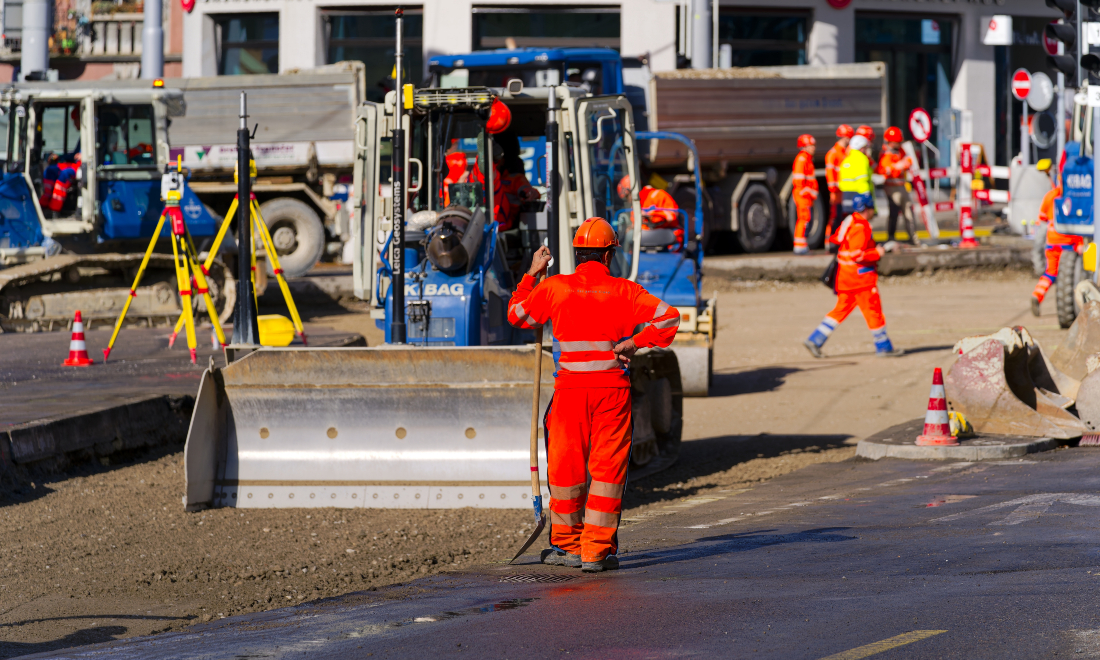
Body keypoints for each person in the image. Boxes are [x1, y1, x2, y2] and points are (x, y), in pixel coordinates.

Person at [506, 217, 680, 572]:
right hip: (612, 394)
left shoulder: (555, 287)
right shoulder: (625, 291)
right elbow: (668, 319)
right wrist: (635, 342)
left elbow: (517, 316)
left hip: (569, 394)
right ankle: (595, 552)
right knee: (607, 473)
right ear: (608, 255)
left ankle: (568, 546)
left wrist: (531, 275)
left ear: (577, 254)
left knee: (566, 471)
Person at [804, 192, 903, 358]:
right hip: (860, 280)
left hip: (846, 278)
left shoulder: (850, 222)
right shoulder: (861, 227)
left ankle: (815, 339)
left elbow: (841, 243)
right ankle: (884, 346)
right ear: (868, 209)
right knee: (873, 311)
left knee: (840, 310)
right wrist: (878, 252)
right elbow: (857, 255)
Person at [1031, 158, 1081, 316]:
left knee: (1050, 273)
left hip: (1052, 242)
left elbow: (1042, 220)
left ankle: (1037, 295)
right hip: (1069, 242)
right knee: (1072, 275)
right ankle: (1075, 304)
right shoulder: (1076, 197)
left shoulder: (1050, 196)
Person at [616, 175, 683, 249]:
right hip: (650, 234)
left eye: (627, 196)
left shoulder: (657, 195)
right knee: (629, 235)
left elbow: (672, 216)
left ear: (632, 191)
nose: (628, 200)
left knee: (631, 236)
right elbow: (637, 223)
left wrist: (650, 216)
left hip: (667, 231)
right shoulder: (636, 205)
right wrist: (632, 227)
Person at [877, 126, 916, 245]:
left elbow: (909, 161)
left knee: (909, 212)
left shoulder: (900, 151)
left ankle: (913, 237)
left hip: (902, 186)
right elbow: (886, 170)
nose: (899, 144)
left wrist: (899, 165)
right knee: (893, 213)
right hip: (891, 188)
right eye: (897, 142)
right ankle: (891, 237)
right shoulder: (885, 153)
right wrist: (898, 166)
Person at [825, 125, 854, 243]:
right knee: (835, 218)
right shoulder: (833, 153)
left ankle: (839, 242)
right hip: (837, 194)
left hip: (844, 193)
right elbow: (831, 175)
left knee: (842, 219)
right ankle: (830, 242)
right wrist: (834, 190)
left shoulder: (845, 153)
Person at [792, 134, 818, 254]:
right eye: (811, 145)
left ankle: (802, 245)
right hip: (803, 195)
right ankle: (799, 247)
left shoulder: (807, 159)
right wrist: (808, 191)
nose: (814, 148)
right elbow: (799, 181)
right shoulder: (802, 159)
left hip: (806, 196)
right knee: (804, 219)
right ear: (804, 146)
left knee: (806, 220)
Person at [838, 134, 874, 219]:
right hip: (859, 195)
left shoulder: (847, 159)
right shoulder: (861, 158)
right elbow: (862, 179)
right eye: (864, 147)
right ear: (861, 147)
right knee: (861, 220)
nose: (865, 150)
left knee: (850, 219)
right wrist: (866, 195)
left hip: (846, 195)